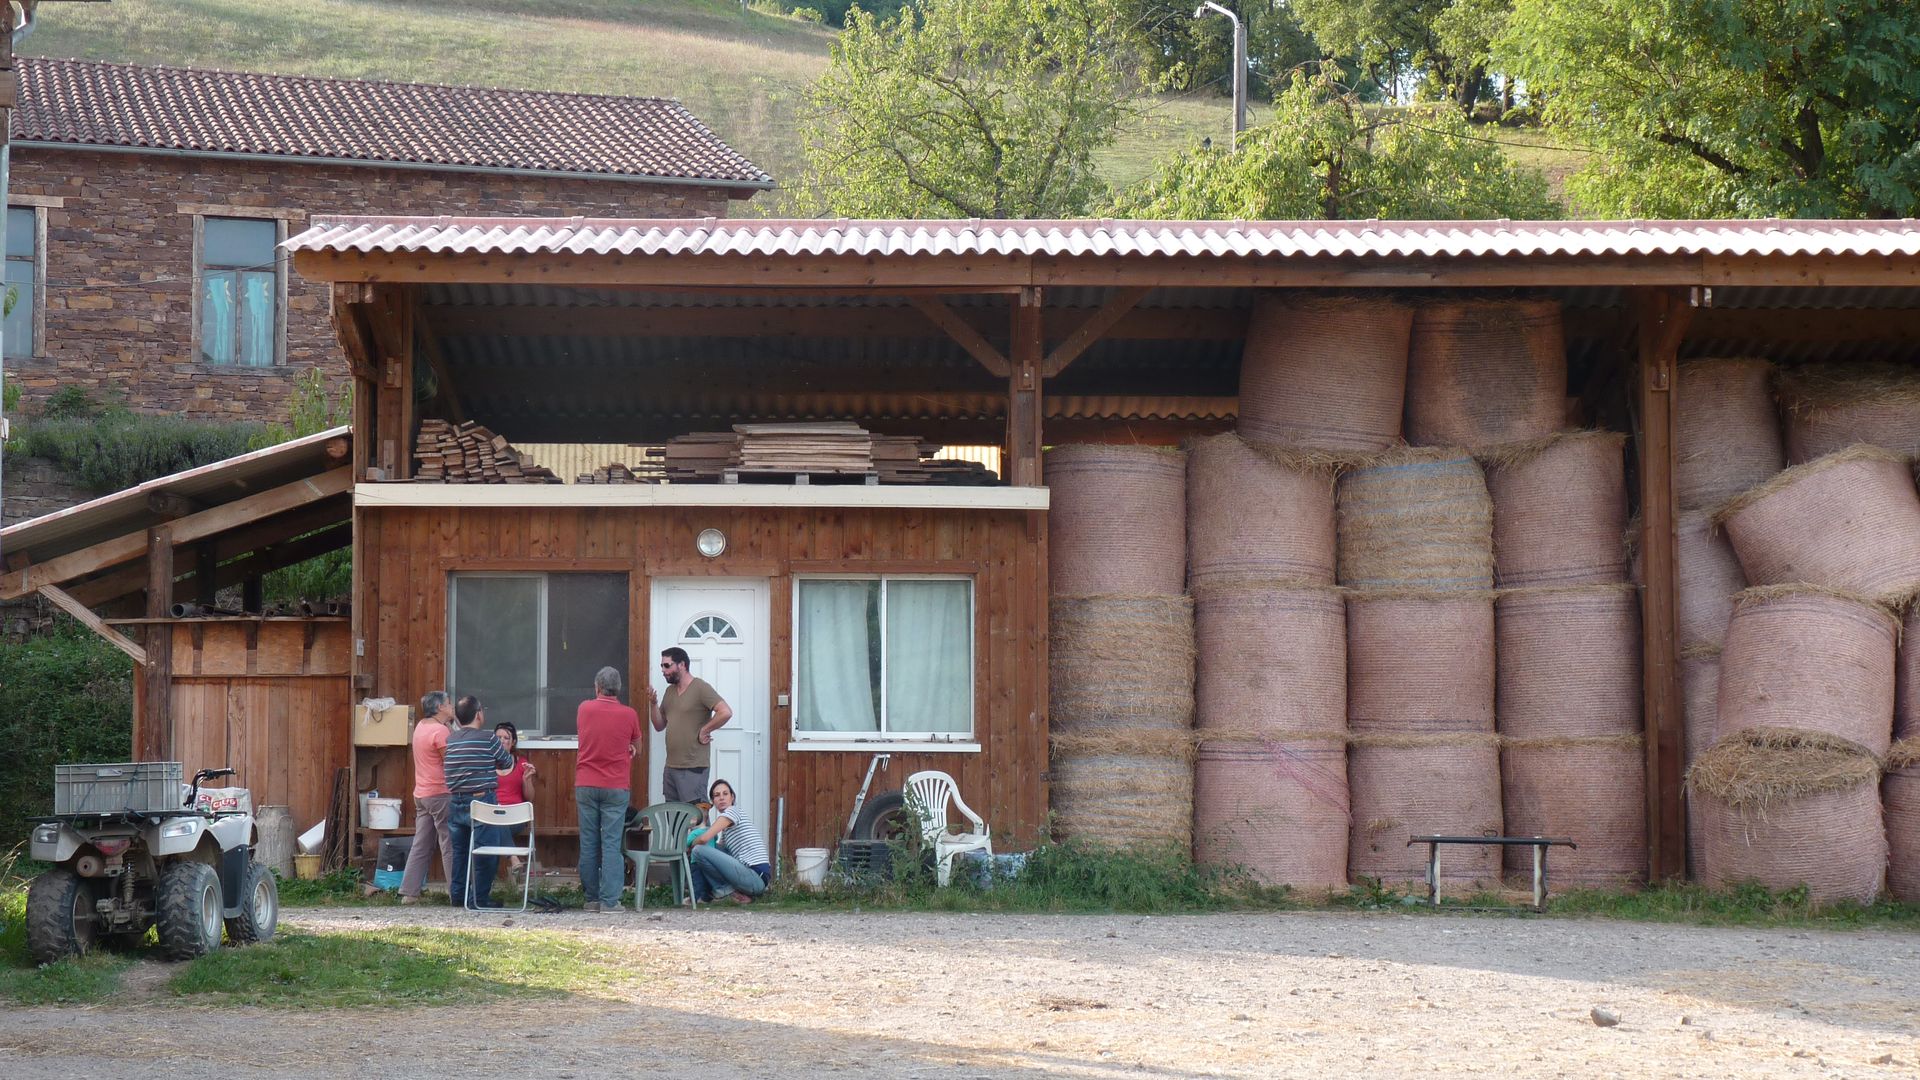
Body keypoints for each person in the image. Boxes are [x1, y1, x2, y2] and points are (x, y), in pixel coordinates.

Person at [576, 665, 643, 914]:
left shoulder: (584, 709)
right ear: (619, 689)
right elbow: (638, 746)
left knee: (589, 842)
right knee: (612, 844)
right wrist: (631, 748)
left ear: (597, 687)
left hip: (586, 782)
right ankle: (610, 901)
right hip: (616, 785)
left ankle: (591, 898)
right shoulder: (629, 714)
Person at [445, 695, 511, 909]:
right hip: (482, 799)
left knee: (460, 851)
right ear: (478, 714)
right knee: (486, 851)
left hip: (456, 800)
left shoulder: (451, 739)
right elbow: (507, 761)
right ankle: (479, 899)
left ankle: (458, 896)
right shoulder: (487, 738)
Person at [646, 647, 733, 805]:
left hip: (693, 766)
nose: (663, 670)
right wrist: (653, 704)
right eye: (661, 666)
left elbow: (725, 712)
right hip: (671, 766)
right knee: (674, 818)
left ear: (682, 665)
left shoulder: (700, 687)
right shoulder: (670, 691)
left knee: (696, 817)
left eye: (667, 665)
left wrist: (705, 730)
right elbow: (659, 725)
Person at [399, 691, 456, 905]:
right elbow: (449, 762)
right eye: (448, 704)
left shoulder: (422, 727)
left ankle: (409, 892)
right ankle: (456, 891)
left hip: (421, 794)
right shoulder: (440, 732)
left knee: (421, 844)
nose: (451, 707)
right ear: (440, 707)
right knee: (448, 842)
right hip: (440, 793)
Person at [689, 778, 772, 905]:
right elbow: (715, 852)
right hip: (749, 878)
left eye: (725, 794)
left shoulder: (733, 812)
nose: (721, 798)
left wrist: (689, 843)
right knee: (708, 850)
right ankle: (715, 892)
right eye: (717, 795)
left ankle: (724, 891)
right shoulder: (727, 830)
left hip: (755, 876)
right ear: (713, 802)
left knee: (699, 850)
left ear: (732, 797)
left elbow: (704, 838)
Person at [493, 721, 536, 878]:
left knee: (494, 827)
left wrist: (527, 780)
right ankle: (513, 858)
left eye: (506, 737)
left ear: (513, 742)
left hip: (516, 816)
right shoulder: (486, 763)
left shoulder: (521, 763)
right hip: (492, 814)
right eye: (498, 738)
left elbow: (530, 798)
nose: (502, 741)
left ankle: (488, 881)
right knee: (495, 823)